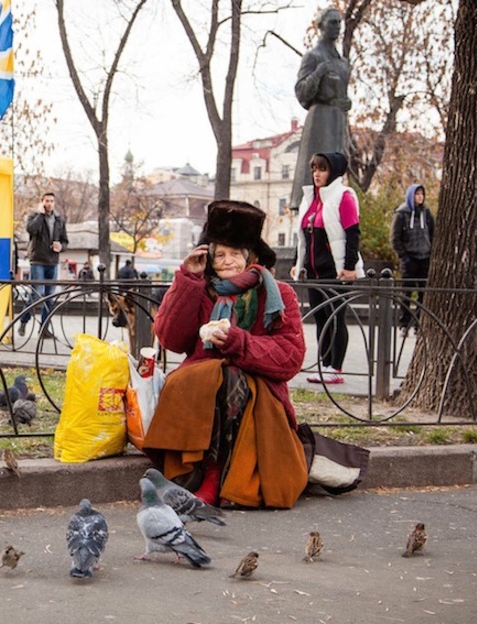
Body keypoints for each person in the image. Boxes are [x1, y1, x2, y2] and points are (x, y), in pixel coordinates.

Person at [142, 200, 309, 510]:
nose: (228, 261)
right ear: (209, 258)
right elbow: (170, 338)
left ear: (250, 257)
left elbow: (290, 356)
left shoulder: (277, 292)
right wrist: (188, 281)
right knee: (212, 378)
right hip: (200, 383)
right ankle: (207, 474)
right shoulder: (201, 287)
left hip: (259, 388)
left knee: (229, 377)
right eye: (220, 255)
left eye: (235, 254)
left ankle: (216, 477)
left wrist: (237, 342)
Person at [290, 152, 363, 385]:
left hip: (335, 272)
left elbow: (353, 233)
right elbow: (302, 237)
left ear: (334, 172)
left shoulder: (343, 196)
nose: (317, 174)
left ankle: (335, 367)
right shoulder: (310, 198)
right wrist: (297, 263)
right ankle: (325, 363)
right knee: (321, 318)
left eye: (322, 169)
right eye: (314, 169)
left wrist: (350, 267)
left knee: (335, 318)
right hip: (314, 272)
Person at [290, 7, 352, 210]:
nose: (337, 27)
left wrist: (345, 103)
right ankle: (307, 204)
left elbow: (342, 93)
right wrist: (318, 73)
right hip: (319, 121)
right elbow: (301, 92)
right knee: (316, 165)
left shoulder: (343, 63)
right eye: (332, 22)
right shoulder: (313, 57)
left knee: (335, 168)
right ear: (320, 25)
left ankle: (332, 204)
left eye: (339, 23)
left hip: (337, 120)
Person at [20, 192, 68, 338]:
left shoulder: (59, 220)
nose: (49, 203)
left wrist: (61, 246)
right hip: (38, 260)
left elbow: (65, 240)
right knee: (37, 294)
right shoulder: (34, 217)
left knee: (50, 297)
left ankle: (44, 329)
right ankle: (23, 321)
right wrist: (40, 215)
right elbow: (31, 229)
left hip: (53, 261)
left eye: (52, 201)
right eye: (47, 201)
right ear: (42, 202)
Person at [391, 184, 435, 330]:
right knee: (406, 293)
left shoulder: (426, 214)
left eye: (422, 194)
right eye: (417, 194)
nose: (420, 197)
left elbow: (433, 234)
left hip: (425, 258)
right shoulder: (402, 214)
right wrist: (404, 256)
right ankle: (404, 323)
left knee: (423, 294)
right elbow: (395, 238)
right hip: (409, 258)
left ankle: (418, 323)